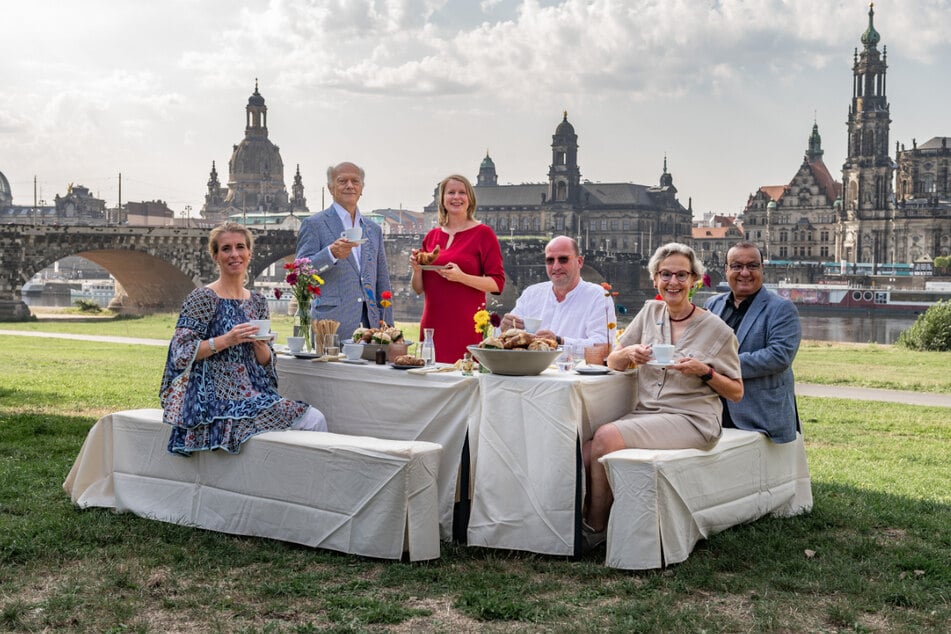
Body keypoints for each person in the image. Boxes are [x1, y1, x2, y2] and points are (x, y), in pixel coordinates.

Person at [582, 242, 743, 547]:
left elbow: (736, 392)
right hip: (648, 414)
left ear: (694, 279)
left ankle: (595, 528)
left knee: (604, 438)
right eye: (666, 274)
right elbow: (613, 362)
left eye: (682, 275)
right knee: (588, 446)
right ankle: (596, 514)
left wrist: (704, 372)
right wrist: (629, 352)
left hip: (693, 420)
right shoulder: (649, 312)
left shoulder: (717, 330)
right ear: (655, 279)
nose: (673, 282)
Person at [160, 222, 327, 455]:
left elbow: (266, 362)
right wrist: (226, 340)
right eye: (226, 249)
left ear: (249, 253)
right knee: (313, 420)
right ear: (215, 256)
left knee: (314, 419)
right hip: (215, 399)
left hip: (255, 393)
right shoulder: (203, 298)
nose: (234, 254)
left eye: (240, 247)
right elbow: (180, 353)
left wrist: (262, 349)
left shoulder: (258, 301)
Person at [705, 241, 802, 443]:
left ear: (762, 269)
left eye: (752, 266)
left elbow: (778, 357)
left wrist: (719, 366)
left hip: (760, 418)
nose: (745, 273)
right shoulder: (712, 305)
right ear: (726, 270)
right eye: (737, 266)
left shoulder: (782, 309)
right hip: (713, 415)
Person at [410, 174, 505, 363]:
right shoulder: (432, 236)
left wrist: (461, 277)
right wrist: (416, 269)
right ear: (442, 199)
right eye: (450, 192)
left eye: (462, 192)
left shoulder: (484, 234)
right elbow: (419, 288)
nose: (456, 197)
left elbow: (497, 284)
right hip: (432, 326)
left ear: (469, 199)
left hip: (467, 326)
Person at [296, 162, 393, 337]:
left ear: (361, 188)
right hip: (331, 326)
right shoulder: (314, 224)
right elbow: (299, 273)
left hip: (372, 327)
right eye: (342, 181)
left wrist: (390, 328)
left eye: (355, 181)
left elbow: (382, 281)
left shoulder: (373, 230)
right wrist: (330, 254)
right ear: (331, 188)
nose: (350, 185)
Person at [499, 236, 615, 348]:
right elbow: (505, 339)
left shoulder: (598, 297)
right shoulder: (531, 294)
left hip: (575, 367)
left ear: (579, 261)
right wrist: (503, 329)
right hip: (533, 367)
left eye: (563, 260)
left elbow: (604, 345)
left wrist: (560, 341)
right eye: (550, 260)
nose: (556, 267)